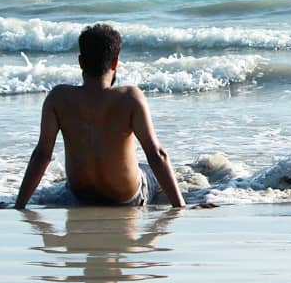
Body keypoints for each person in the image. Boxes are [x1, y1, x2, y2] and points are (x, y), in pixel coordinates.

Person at [10, 24, 186, 209]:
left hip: (80, 195)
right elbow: (157, 155)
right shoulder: (130, 97)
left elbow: (42, 155)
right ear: (115, 63)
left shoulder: (58, 98)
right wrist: (179, 206)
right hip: (125, 197)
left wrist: (19, 205)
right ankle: (198, 194)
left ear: (80, 62)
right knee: (150, 170)